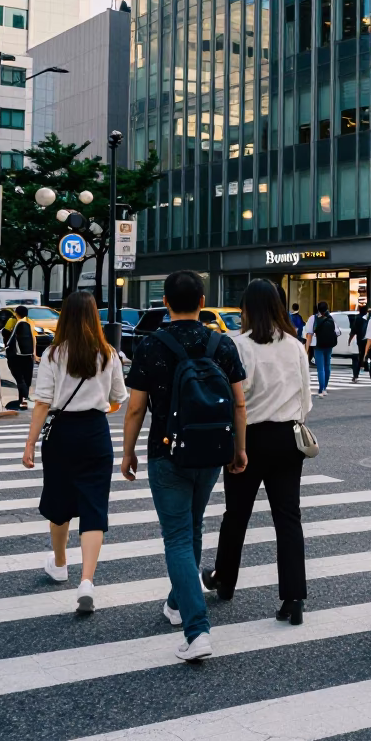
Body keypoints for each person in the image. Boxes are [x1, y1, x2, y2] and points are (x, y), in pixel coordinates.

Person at [122, 270, 247, 662]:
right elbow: (239, 402)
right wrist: (239, 450)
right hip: (211, 451)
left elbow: (136, 408)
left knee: (176, 535)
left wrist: (128, 452)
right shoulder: (221, 343)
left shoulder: (150, 346)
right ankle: (178, 603)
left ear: (164, 302)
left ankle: (198, 630)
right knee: (192, 526)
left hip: (168, 451)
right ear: (203, 299)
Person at [202, 280, 311, 622]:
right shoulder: (294, 345)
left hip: (247, 438)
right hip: (287, 438)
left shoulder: (236, 345)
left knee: (236, 514)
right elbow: (305, 400)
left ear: (246, 309)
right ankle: (293, 598)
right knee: (288, 518)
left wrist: (236, 443)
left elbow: (233, 399)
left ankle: (225, 579)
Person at [21, 291, 127, 614]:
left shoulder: (53, 354)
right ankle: (87, 581)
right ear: (95, 316)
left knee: (59, 502)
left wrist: (30, 443)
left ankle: (60, 563)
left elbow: (42, 403)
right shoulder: (108, 353)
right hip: (96, 433)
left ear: (64, 316)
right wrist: (96, 410)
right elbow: (117, 400)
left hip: (62, 433)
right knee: (94, 507)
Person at [5, 305, 38, 410]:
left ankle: (23, 399)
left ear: (16, 313)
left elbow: (6, 333)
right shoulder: (30, 322)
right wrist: (34, 353)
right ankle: (23, 402)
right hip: (28, 356)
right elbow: (34, 338)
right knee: (27, 380)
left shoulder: (14, 322)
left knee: (20, 379)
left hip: (16, 356)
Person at [304, 301, 340, 396]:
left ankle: (321, 389)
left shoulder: (313, 318)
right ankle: (325, 388)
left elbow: (309, 335)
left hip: (318, 345)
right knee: (327, 366)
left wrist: (306, 349)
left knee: (320, 368)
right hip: (329, 345)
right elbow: (337, 332)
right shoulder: (330, 318)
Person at [348, 305, 371, 382]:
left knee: (358, 357)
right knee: (368, 355)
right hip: (368, 340)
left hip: (360, 340)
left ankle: (355, 375)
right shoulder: (369, 319)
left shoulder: (358, 318)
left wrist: (349, 340)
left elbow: (354, 330)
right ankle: (365, 365)